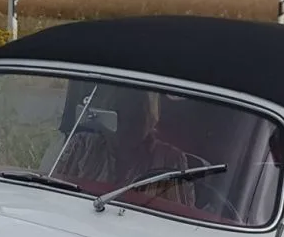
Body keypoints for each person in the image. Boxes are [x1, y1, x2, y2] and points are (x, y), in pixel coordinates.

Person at [49, 86, 199, 209]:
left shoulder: (170, 160)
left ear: (151, 119)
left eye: (136, 116)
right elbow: (51, 197)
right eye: (119, 116)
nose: (127, 126)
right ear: (105, 116)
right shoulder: (81, 146)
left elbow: (178, 218)